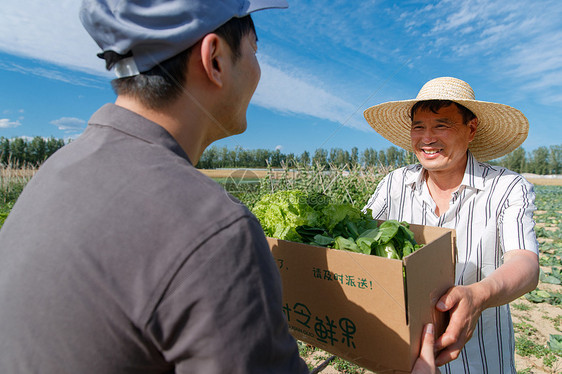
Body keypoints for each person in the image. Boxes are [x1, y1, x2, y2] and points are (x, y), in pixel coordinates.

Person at [0, 0, 439, 373]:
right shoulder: (213, 228)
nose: (260, 70)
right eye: (255, 48)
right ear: (214, 60)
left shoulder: (56, 171)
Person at [362, 76, 540, 373]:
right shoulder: (394, 183)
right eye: (418, 127)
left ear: (471, 130)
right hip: (402, 357)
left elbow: (525, 264)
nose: (427, 138)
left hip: (481, 360)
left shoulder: (506, 187)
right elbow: (359, 238)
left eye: (441, 125)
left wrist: (478, 295)